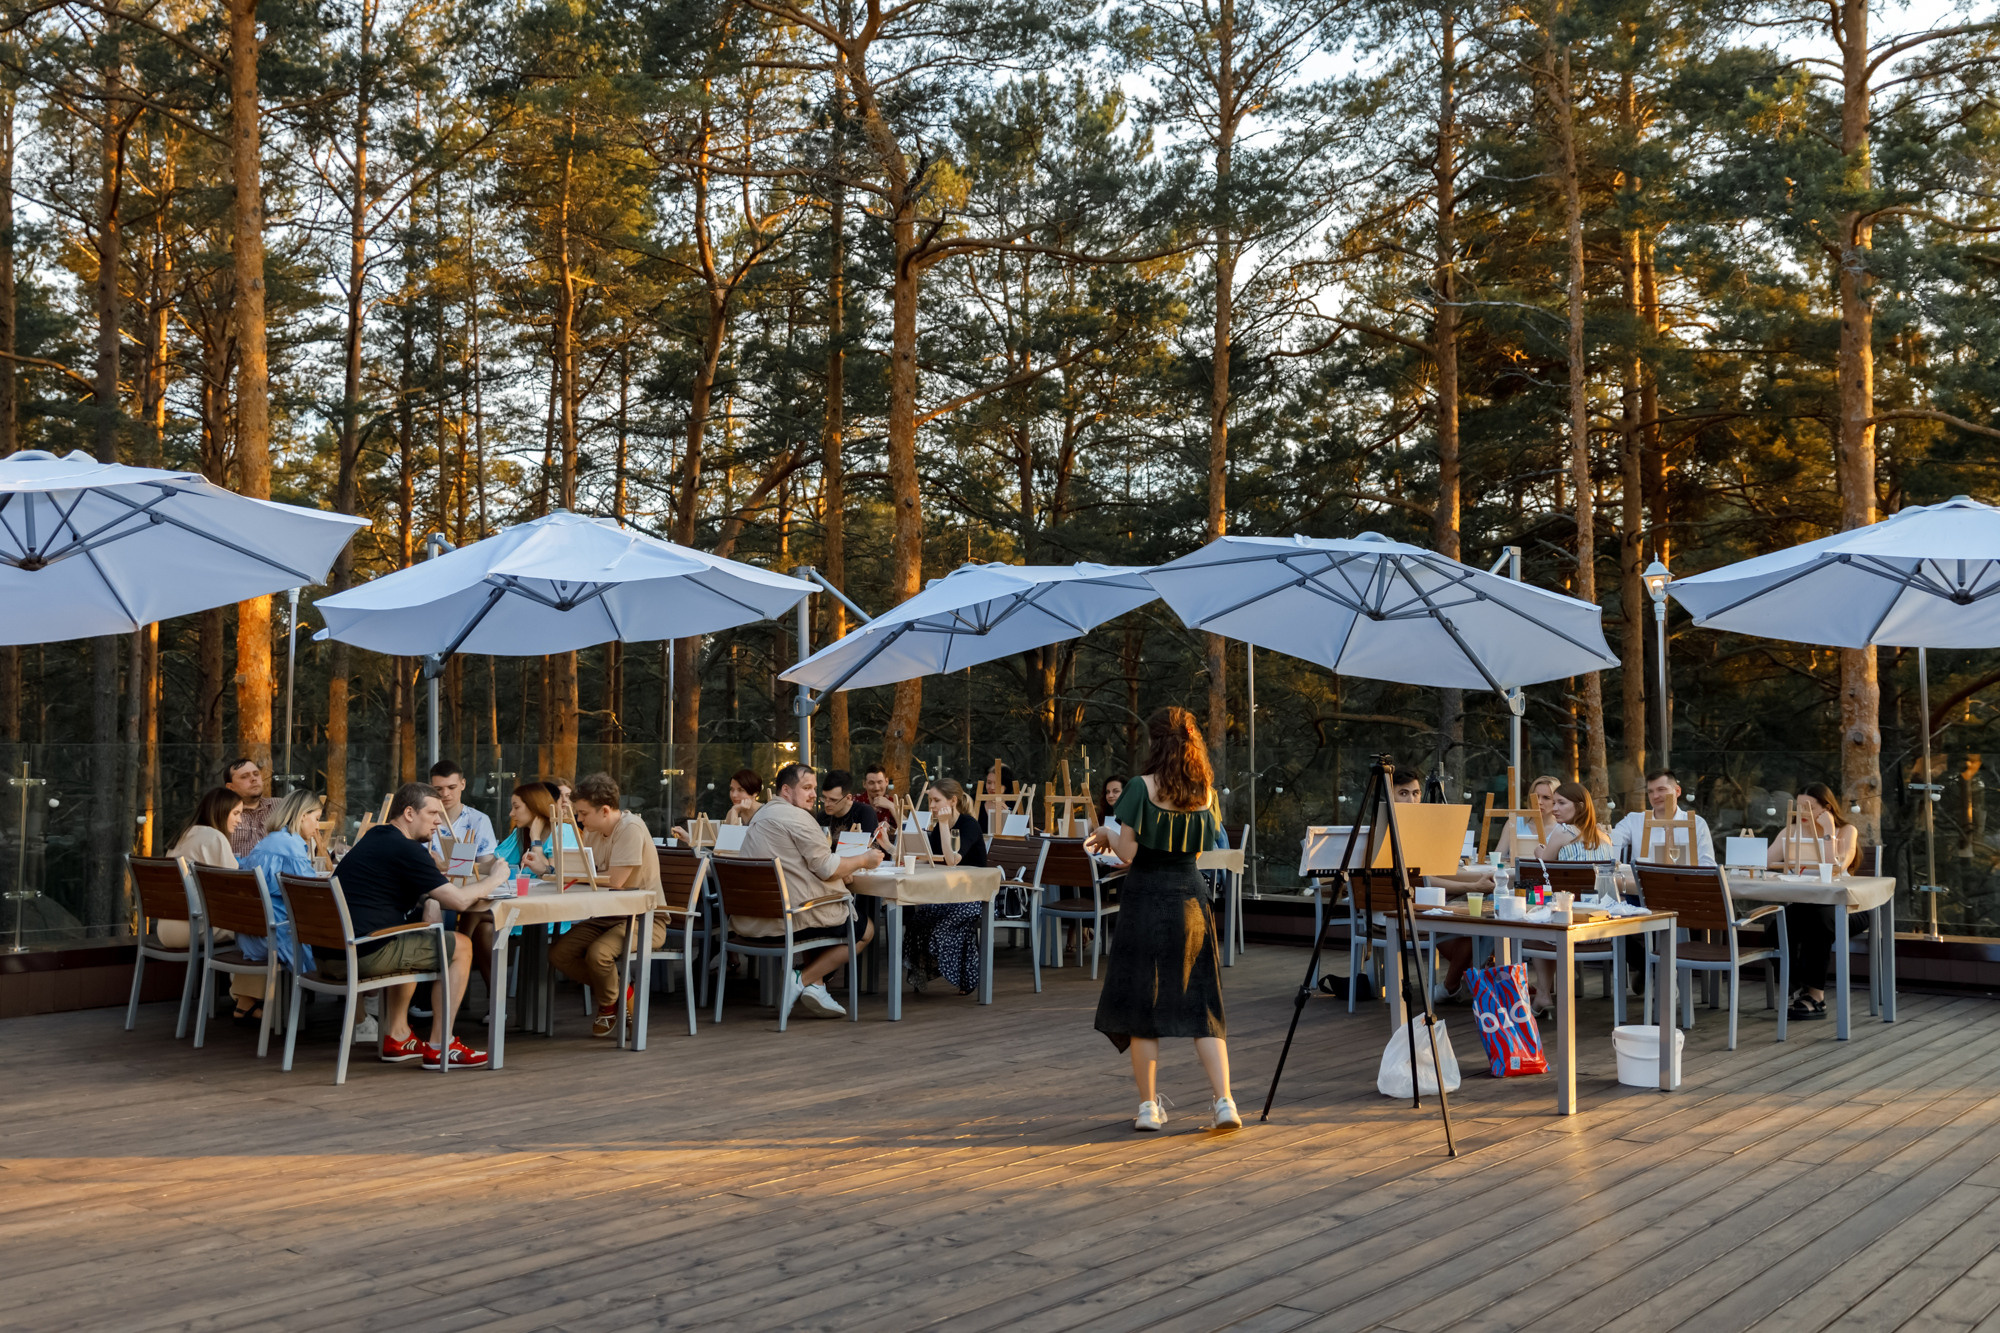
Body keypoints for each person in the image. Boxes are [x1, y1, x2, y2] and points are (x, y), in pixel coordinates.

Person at [1085, 706, 1239, 1134]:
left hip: (1145, 899)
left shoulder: (1139, 787)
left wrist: (1106, 835)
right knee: (1202, 1004)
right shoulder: (1205, 790)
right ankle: (1224, 1102)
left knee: (1142, 1006)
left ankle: (1148, 1107)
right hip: (1191, 900)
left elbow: (1129, 854)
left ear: (1155, 742)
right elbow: (1207, 842)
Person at [326, 781, 507, 1068]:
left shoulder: (376, 837)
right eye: (433, 813)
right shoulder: (407, 849)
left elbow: (403, 887)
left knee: (416, 938)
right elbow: (459, 901)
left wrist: (431, 895)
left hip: (328, 955)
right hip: (364, 954)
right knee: (461, 945)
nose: (439, 821)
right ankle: (441, 1045)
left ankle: (398, 1036)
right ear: (409, 813)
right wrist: (495, 878)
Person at [737, 762, 887, 1019]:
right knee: (865, 930)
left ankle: (817, 986)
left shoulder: (760, 816)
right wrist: (864, 860)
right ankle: (802, 979)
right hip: (786, 920)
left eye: (814, 788)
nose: (814, 795)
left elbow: (804, 865)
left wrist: (840, 869)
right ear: (786, 790)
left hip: (751, 922)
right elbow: (827, 867)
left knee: (819, 913)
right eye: (807, 788)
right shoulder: (799, 818)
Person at [548, 773, 669, 1038]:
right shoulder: (593, 830)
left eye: (583, 813)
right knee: (559, 954)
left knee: (598, 954)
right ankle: (621, 990)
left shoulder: (631, 828)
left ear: (604, 810)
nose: (579, 820)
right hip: (606, 915)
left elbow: (615, 881)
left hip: (645, 919)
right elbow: (586, 875)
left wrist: (575, 875)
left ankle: (606, 1006)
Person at [1521, 781, 1615, 1013]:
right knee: (1547, 911)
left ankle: (1543, 993)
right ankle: (1544, 994)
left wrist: (1538, 852)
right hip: (1603, 929)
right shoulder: (1605, 838)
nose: (1554, 808)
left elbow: (1545, 867)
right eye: (1554, 803)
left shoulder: (1562, 833)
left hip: (1569, 925)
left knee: (1538, 911)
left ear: (1580, 807)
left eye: (1561, 803)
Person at [234, 789, 326, 1019]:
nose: (317, 827)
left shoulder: (266, 843)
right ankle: (359, 1016)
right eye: (316, 818)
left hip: (250, 937)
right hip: (277, 937)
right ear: (303, 815)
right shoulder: (292, 847)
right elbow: (312, 894)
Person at [1772, 782, 1860, 1022]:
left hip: (1849, 907)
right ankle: (1797, 985)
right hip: (1807, 905)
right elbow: (1765, 861)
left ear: (1826, 809)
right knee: (1775, 926)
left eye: (1808, 807)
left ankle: (1816, 997)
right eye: (1798, 807)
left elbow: (1835, 869)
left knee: (1818, 922)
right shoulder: (1791, 832)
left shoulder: (1846, 831)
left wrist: (1828, 831)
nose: (1801, 813)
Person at [165, 788, 250, 1018]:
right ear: (221, 812)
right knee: (257, 928)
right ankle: (246, 1000)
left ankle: (244, 999)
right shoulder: (214, 837)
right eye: (236, 814)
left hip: (166, 927)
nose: (240, 820)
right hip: (192, 926)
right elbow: (236, 885)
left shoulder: (185, 833)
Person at [905, 779, 988, 996]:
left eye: (936, 800)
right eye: (930, 800)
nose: (931, 805)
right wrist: (888, 845)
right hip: (949, 895)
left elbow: (952, 860)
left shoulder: (969, 825)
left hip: (974, 897)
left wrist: (942, 825)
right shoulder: (937, 829)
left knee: (944, 926)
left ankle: (967, 977)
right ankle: (924, 974)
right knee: (918, 921)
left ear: (952, 801)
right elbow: (929, 859)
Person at [1611, 769, 1716, 866]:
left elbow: (1708, 865)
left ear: (1678, 791)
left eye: (1661, 789)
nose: (1655, 796)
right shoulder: (1634, 820)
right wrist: (1601, 834)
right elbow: (1611, 840)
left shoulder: (1697, 824)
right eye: (1650, 791)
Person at [427, 760, 497, 867]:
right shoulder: (421, 819)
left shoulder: (479, 820)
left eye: (451, 787)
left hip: (469, 883)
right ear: (430, 788)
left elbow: (487, 866)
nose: (445, 794)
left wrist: (447, 866)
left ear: (463, 784)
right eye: (438, 789)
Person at [495, 783, 557, 873]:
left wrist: (535, 838)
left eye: (516, 807)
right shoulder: (520, 832)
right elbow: (495, 863)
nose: (511, 813)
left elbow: (552, 875)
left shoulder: (561, 831)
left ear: (535, 806)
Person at [224, 757, 273, 859]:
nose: (253, 779)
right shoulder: (222, 813)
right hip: (234, 874)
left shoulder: (280, 806)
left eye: (256, 774)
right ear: (230, 787)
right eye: (244, 776)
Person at [817, 769, 880, 847]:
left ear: (848, 798)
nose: (826, 804)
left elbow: (867, 849)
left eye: (833, 800)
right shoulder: (822, 817)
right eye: (824, 798)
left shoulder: (864, 813)